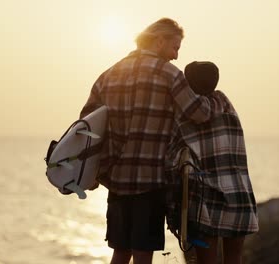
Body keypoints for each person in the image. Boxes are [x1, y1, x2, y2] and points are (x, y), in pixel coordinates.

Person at [79, 19, 226, 264]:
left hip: (115, 180)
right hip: (150, 179)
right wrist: (218, 100)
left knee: (121, 251)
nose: (177, 55)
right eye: (175, 47)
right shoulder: (169, 74)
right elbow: (198, 113)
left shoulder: (109, 74)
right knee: (143, 252)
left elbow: (86, 123)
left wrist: (94, 171)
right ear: (160, 41)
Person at [165, 61, 259, 264]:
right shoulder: (228, 108)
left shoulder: (184, 116)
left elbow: (171, 158)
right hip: (237, 192)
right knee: (234, 258)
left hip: (204, 199)